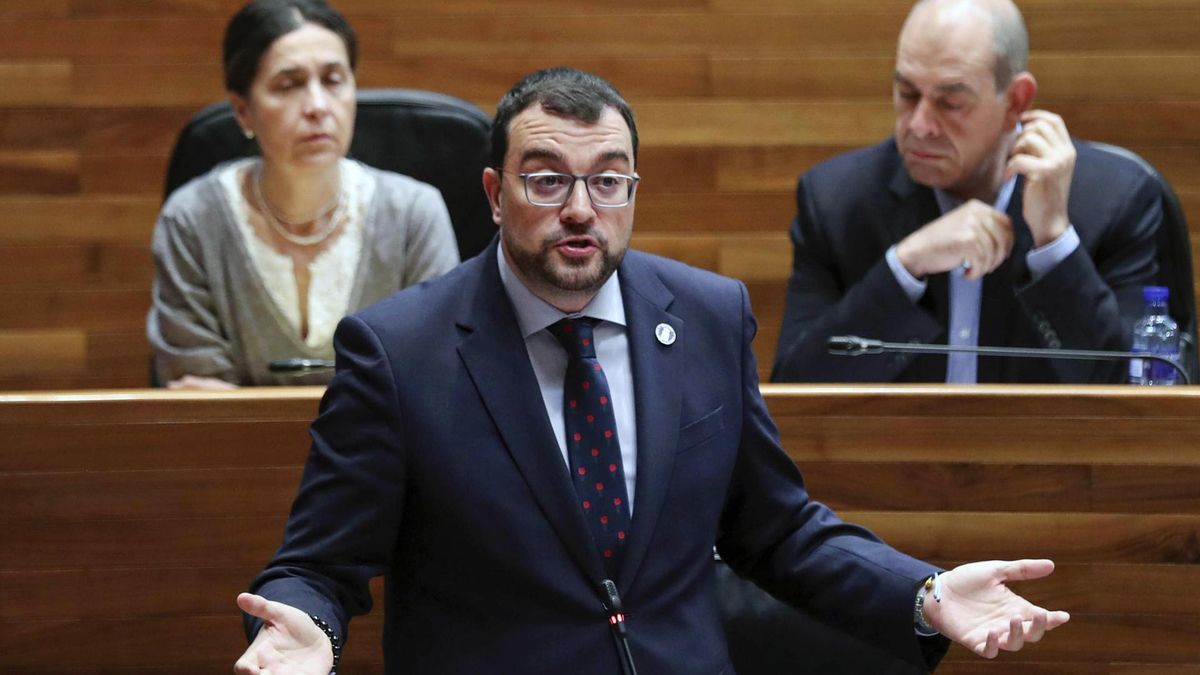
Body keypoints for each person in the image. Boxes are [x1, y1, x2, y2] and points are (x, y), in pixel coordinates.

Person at [234, 67, 1068, 675]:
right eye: (547, 178)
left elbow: (776, 529)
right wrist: (307, 627)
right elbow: (318, 561)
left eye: (608, 182)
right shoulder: (399, 350)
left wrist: (923, 592)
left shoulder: (705, 315)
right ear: (494, 192)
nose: (579, 209)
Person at [772, 0, 1162, 384]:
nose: (920, 125)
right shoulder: (836, 201)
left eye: (950, 102)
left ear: (1015, 100)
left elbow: (1142, 400)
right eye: (907, 94)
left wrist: (1054, 244)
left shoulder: (1115, 201)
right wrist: (905, 266)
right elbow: (795, 392)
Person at [146, 0, 459, 389]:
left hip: (388, 452)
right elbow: (202, 404)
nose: (317, 107)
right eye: (289, 85)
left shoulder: (415, 214)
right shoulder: (192, 220)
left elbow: (436, 383)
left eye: (333, 80)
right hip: (236, 451)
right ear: (243, 111)